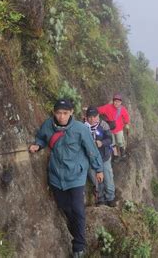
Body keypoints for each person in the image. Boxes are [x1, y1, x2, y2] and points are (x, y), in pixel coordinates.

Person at [29, 99, 104, 257]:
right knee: (65, 208)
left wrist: (98, 169)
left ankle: (79, 245)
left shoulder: (79, 129)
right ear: (53, 113)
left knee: (77, 209)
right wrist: (38, 144)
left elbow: (91, 150)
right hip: (56, 177)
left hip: (76, 175)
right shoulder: (48, 125)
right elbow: (42, 137)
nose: (61, 116)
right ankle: (76, 228)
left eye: (64, 113)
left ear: (71, 113)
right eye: (58, 113)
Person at [84, 106, 116, 207]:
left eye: (94, 116)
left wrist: (101, 143)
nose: (92, 119)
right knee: (96, 181)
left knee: (108, 180)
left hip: (104, 157)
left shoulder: (103, 125)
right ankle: (100, 199)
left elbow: (110, 139)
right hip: (91, 159)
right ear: (86, 117)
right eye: (89, 117)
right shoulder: (83, 127)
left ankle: (110, 198)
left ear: (98, 116)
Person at [98, 94, 130, 162]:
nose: (116, 103)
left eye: (118, 101)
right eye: (115, 101)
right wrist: (90, 110)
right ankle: (115, 155)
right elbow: (99, 110)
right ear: (113, 101)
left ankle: (122, 152)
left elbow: (126, 117)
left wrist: (126, 123)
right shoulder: (108, 107)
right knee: (112, 143)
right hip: (110, 129)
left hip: (119, 129)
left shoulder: (122, 109)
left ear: (121, 102)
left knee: (120, 141)